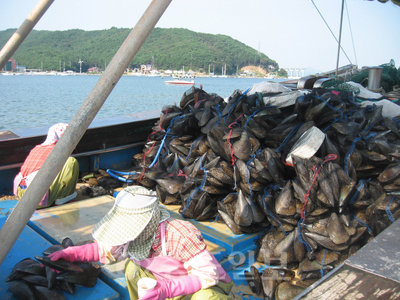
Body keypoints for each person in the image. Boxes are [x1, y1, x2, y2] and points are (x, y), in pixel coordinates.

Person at [48, 185, 234, 300]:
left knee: (205, 298)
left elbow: (208, 276)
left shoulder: (179, 234)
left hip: (200, 288)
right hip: (164, 287)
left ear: (147, 223)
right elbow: (105, 250)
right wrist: (71, 254)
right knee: (132, 270)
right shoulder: (131, 237)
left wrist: (166, 290)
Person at [13, 123, 79, 208]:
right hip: (35, 200)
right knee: (71, 161)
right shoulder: (58, 151)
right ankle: (63, 199)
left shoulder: (37, 148)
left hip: (21, 196)